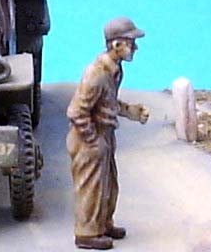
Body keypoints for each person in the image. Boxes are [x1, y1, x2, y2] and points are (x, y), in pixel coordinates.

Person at [67, 17, 150, 250]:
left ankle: (103, 224)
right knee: (91, 187)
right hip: (89, 139)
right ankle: (87, 233)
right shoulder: (97, 73)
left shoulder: (114, 70)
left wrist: (131, 111)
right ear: (116, 44)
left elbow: (107, 102)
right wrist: (92, 140)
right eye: (131, 42)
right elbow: (76, 111)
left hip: (104, 135)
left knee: (108, 185)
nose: (135, 47)